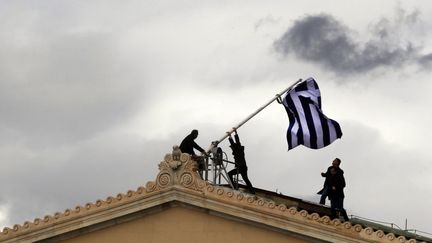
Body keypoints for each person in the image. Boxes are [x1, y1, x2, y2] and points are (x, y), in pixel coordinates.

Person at [227, 129, 255, 194]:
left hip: (241, 167)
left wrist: (234, 134)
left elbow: (237, 142)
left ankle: (233, 186)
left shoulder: (239, 150)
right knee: (246, 179)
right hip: (242, 167)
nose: (232, 148)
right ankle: (252, 191)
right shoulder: (237, 151)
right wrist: (230, 136)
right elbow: (233, 144)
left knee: (229, 174)